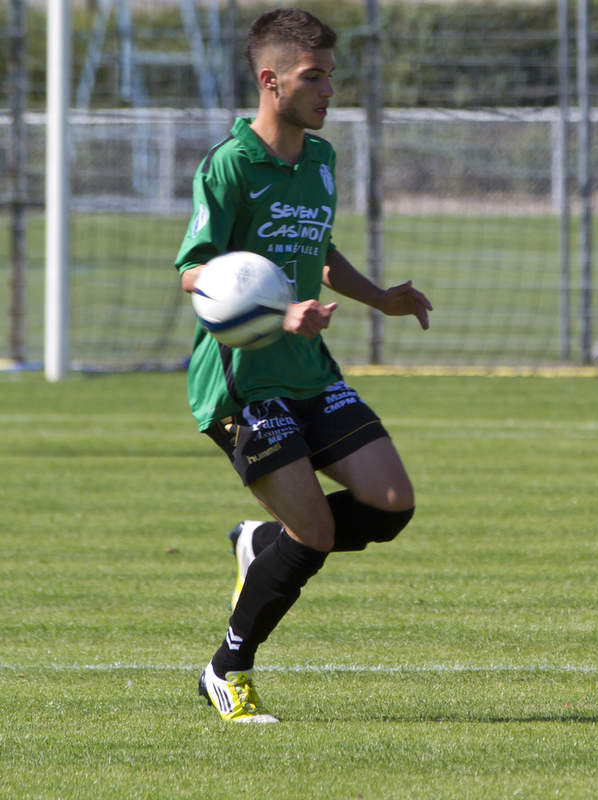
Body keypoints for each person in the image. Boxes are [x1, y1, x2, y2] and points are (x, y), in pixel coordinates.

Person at [176, 8, 433, 723]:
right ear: (271, 81)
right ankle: (227, 669)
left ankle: (263, 543)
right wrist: (271, 312)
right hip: (242, 384)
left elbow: (318, 249)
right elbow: (194, 272)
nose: (328, 92)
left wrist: (380, 298)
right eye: (313, 78)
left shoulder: (320, 159)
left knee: (391, 505)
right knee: (315, 533)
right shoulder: (229, 165)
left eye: (330, 77)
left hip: (311, 372)